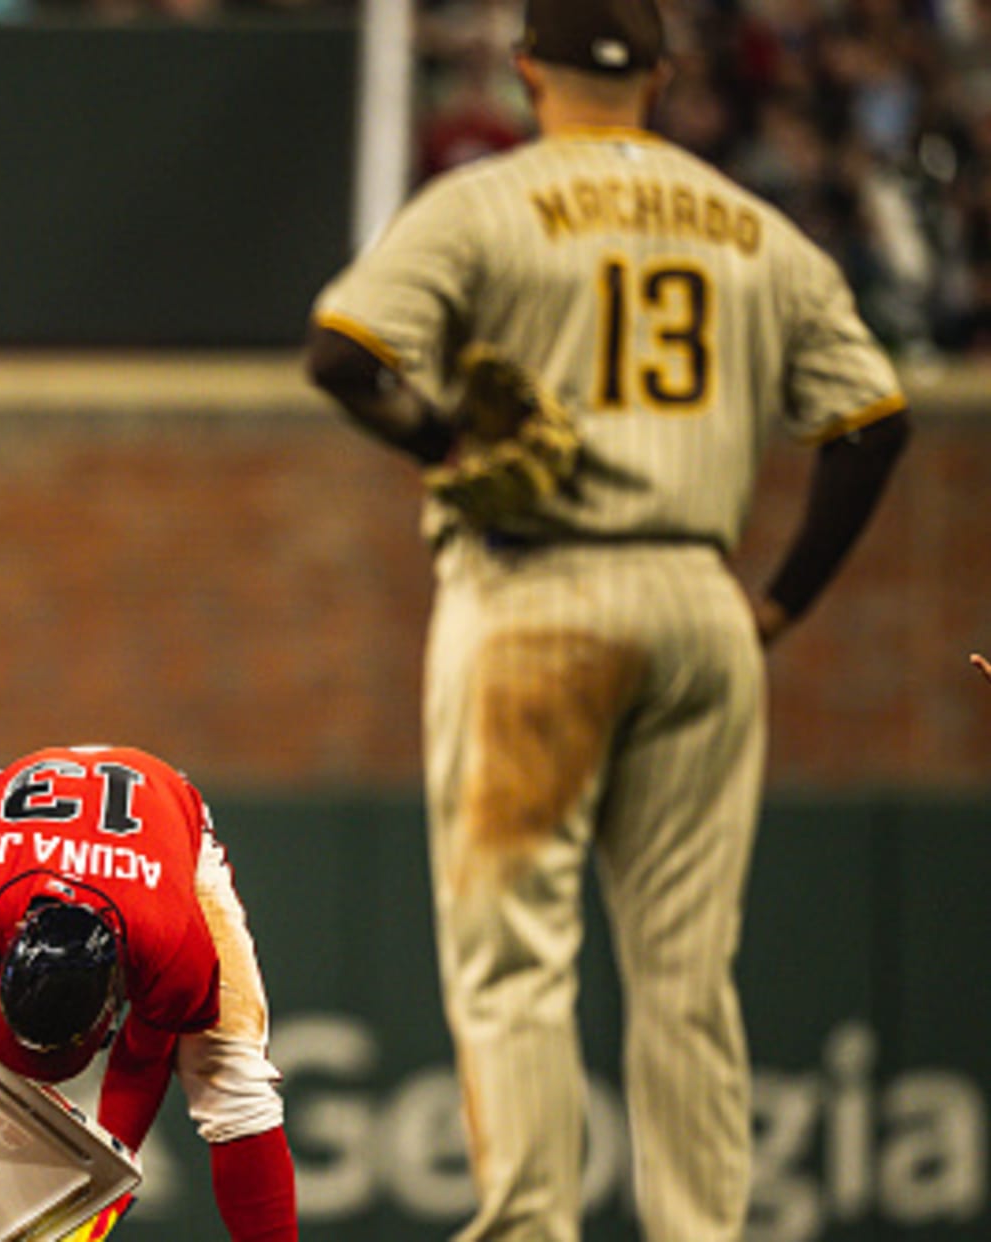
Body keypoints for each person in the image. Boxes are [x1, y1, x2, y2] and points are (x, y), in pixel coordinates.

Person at [303, 0, 910, 1238]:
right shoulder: (755, 227)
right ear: (665, 78)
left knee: (516, 959)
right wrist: (777, 605)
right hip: (700, 595)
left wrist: (445, 440)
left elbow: (345, 353)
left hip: (538, 596)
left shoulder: (485, 203)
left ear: (529, 70)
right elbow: (874, 423)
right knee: (689, 978)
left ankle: (530, 1229)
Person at [0, 744, 296, 1241]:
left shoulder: (170, 944)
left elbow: (144, 1059)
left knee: (232, 1082)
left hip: (160, 817)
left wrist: (105, 1187)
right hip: (14, 854)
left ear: (116, 995)